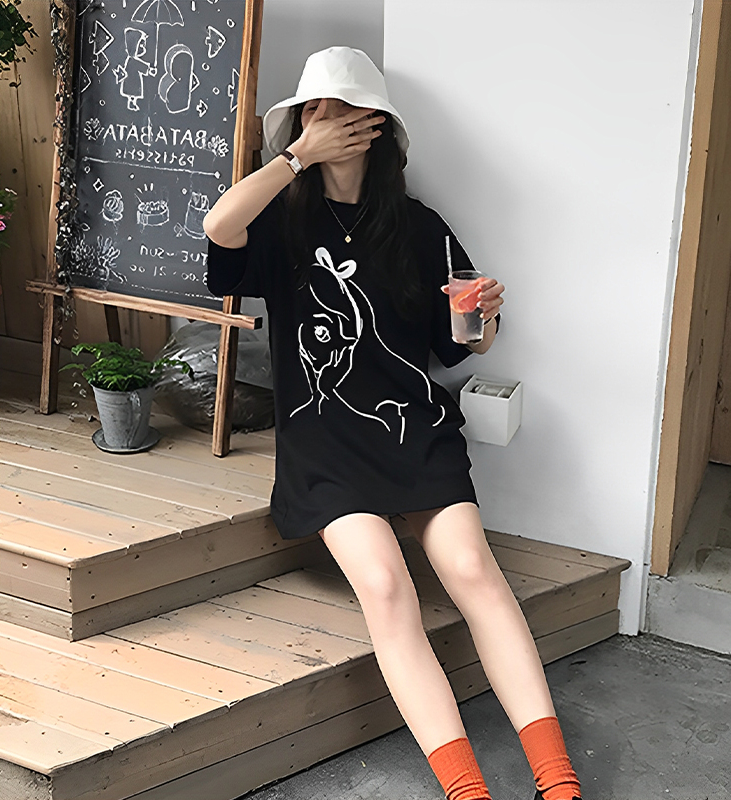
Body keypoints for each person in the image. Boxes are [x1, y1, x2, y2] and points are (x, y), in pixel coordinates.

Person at [203, 46, 581, 800]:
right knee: (384, 585)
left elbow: (459, 346)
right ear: (298, 126)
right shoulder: (279, 221)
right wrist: (297, 158)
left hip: (415, 429)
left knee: (472, 570)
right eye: (313, 110)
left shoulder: (420, 226)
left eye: (346, 110)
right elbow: (218, 227)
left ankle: (557, 779)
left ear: (378, 126)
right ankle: (467, 790)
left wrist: (485, 316)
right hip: (323, 441)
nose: (329, 121)